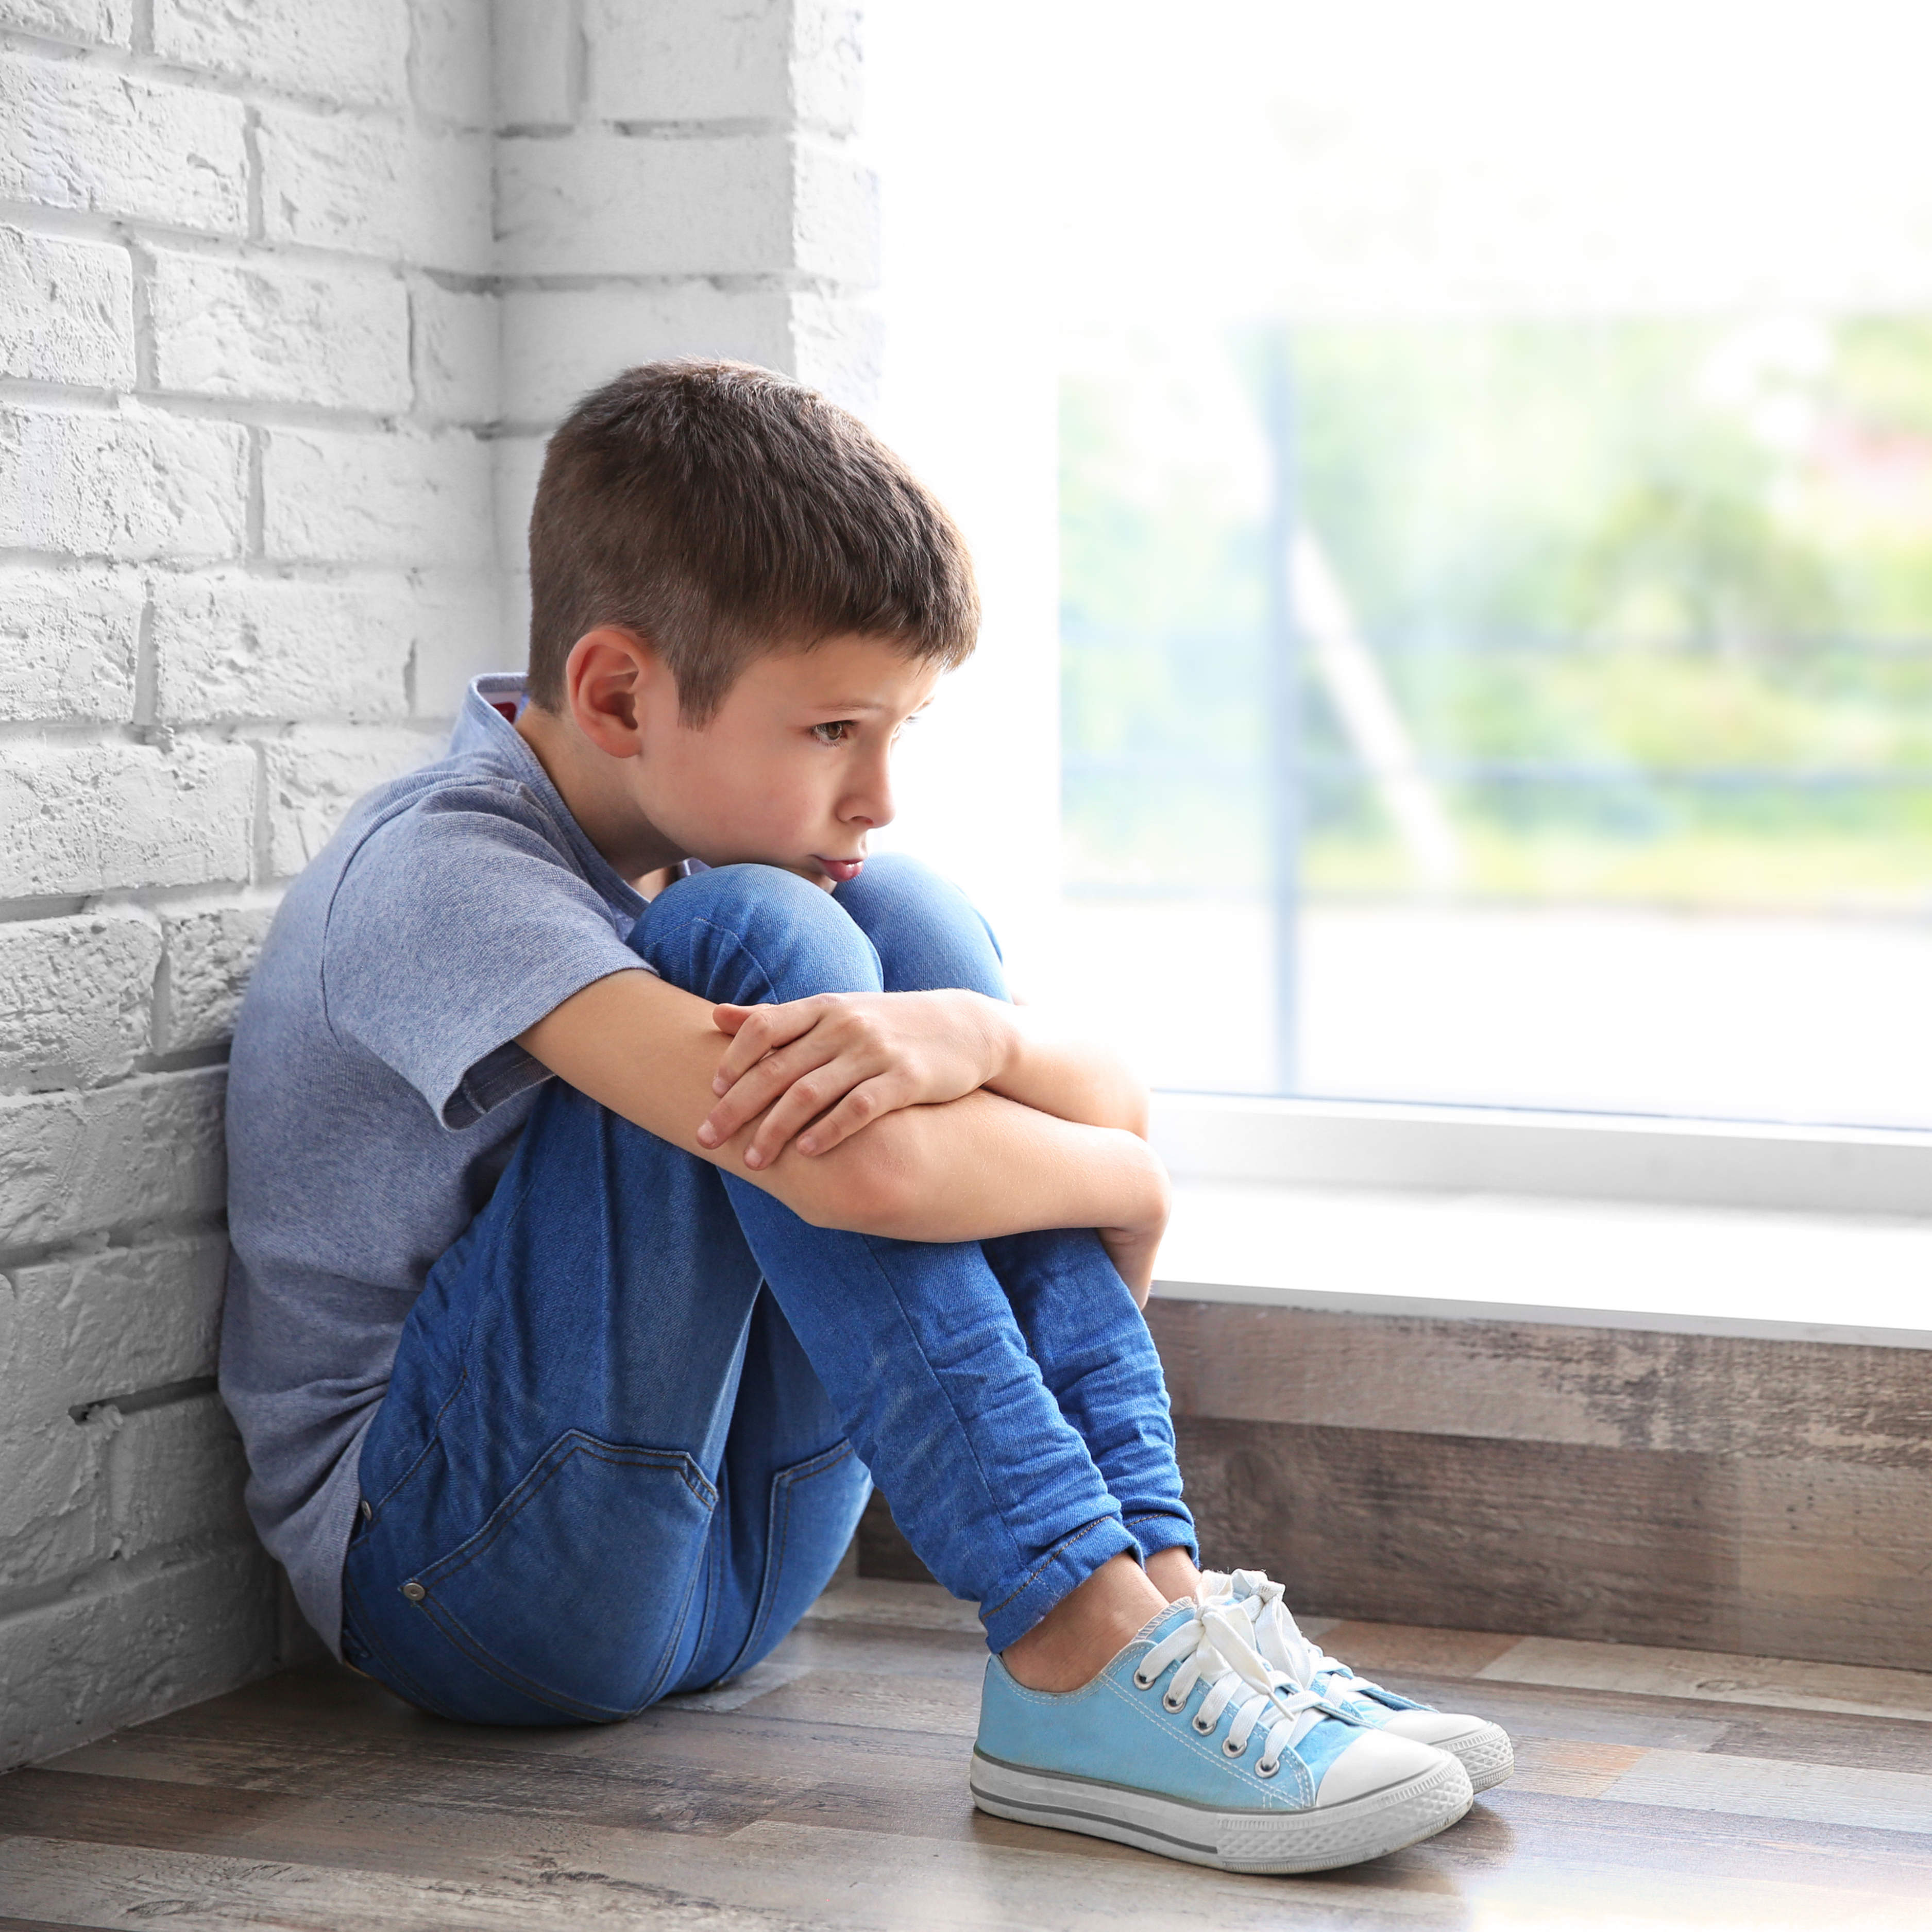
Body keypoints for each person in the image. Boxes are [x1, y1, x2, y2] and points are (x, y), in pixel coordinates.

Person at [220, 360, 1509, 1875]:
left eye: (897, 729)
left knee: (900, 928)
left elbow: (1094, 1096)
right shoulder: (440, 876)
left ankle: (1154, 1604)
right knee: (764, 943)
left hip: (731, 1562)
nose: (879, 787)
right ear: (619, 692)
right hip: (468, 1583)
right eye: (835, 729)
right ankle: (1067, 1636)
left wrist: (971, 1037)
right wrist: (1121, 1186)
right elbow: (880, 1173)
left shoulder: (721, 844)